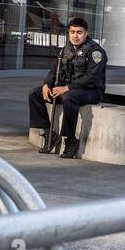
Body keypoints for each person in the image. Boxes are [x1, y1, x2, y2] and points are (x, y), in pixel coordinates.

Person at [28, 17, 106, 159]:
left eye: (79, 32)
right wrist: (46, 84)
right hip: (69, 88)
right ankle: (50, 134)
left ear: (86, 33)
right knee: (35, 93)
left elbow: (92, 77)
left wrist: (67, 88)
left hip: (91, 91)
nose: (75, 36)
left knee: (68, 97)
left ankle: (70, 141)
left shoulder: (96, 52)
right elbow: (54, 70)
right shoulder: (66, 49)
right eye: (72, 32)